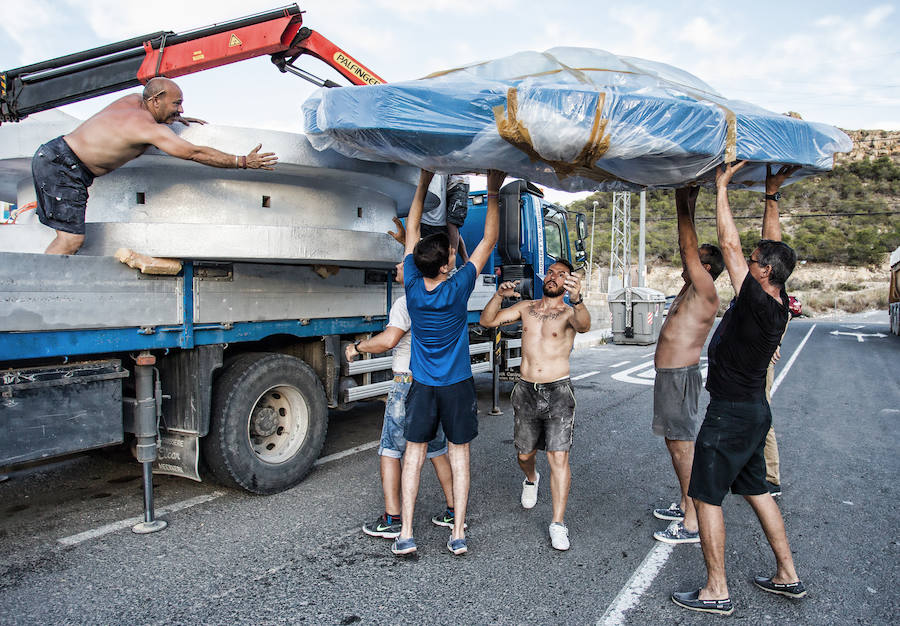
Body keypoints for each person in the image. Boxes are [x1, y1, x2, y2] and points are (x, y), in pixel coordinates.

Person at [672, 162, 805, 616]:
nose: (745, 265)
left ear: (764, 272)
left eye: (753, 263)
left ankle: (716, 590)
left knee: (705, 495)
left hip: (729, 415)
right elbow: (770, 249)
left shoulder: (757, 298)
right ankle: (787, 574)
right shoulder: (778, 300)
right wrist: (770, 194)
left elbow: (729, 244)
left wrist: (722, 188)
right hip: (752, 413)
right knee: (758, 491)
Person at [392, 168, 505, 557]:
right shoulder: (458, 288)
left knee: (413, 457)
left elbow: (410, 233)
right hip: (456, 385)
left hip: (421, 384)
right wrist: (493, 188)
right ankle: (457, 533)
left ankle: (405, 533)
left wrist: (422, 182)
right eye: (449, 257)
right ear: (444, 268)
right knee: (459, 455)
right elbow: (489, 239)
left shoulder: (411, 285)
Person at [31, 77, 278, 255]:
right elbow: (193, 152)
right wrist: (243, 161)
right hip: (65, 166)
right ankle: (36, 294)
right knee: (70, 241)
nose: (181, 109)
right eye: (176, 104)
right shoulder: (148, 129)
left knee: (67, 237)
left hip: (54, 154)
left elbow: (140, 113)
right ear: (157, 100)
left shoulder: (132, 101)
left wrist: (173, 117)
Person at [478, 260, 591, 550]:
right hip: (526, 390)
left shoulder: (568, 313)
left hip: (558, 392)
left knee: (558, 457)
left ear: (568, 284)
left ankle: (558, 522)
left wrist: (578, 301)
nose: (554, 277)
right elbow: (487, 321)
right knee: (525, 455)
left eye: (562, 275)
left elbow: (585, 325)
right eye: (551, 272)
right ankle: (531, 478)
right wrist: (498, 296)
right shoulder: (525, 308)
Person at [348, 261, 460, 539]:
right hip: (433, 382)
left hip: (406, 383)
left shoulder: (406, 302)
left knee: (390, 449)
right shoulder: (443, 296)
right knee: (436, 449)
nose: (397, 267)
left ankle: (392, 519)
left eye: (402, 264)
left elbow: (389, 340)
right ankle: (454, 511)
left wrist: (357, 348)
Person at [650, 187, 724, 545]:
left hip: (679, 378)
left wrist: (680, 199)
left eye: (695, 259)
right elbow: (689, 250)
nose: (686, 261)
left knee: (682, 446)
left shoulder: (705, 289)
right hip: (670, 377)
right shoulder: (689, 290)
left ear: (704, 267)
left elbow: (687, 247)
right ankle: (684, 503)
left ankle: (693, 521)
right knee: (672, 442)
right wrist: (690, 201)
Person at [420, 174, 470, 264]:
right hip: (429, 222)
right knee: (452, 226)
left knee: (452, 225)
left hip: (456, 183)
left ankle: (456, 262)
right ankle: (460, 261)